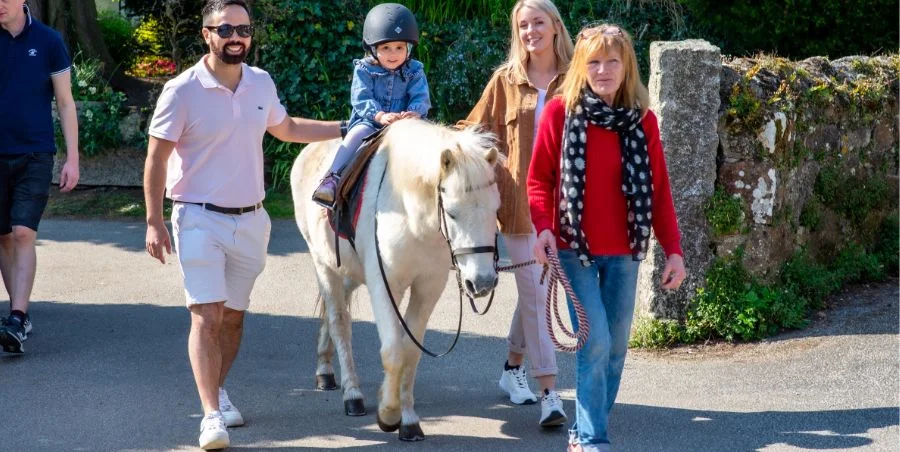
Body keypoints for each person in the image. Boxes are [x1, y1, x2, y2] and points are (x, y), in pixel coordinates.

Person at [143, 1, 341, 449]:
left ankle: (217, 388)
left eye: (244, 29)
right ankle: (210, 414)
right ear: (206, 34)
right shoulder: (181, 90)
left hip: (252, 219)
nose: (237, 36)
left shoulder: (260, 82)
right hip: (197, 216)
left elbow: (286, 127)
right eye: (226, 28)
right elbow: (156, 159)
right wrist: (154, 221)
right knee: (206, 315)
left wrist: (347, 127)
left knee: (232, 319)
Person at [527, 24, 687, 451]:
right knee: (594, 339)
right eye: (593, 62)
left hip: (625, 252)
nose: (603, 70)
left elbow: (658, 189)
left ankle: (584, 427)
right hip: (573, 249)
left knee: (615, 349)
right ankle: (593, 439)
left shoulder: (643, 121)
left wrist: (674, 251)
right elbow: (539, 181)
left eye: (612, 61)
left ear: (626, 66)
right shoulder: (560, 114)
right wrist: (543, 228)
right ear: (581, 66)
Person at [458, 0, 573, 428]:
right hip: (521, 207)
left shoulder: (578, 78)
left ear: (556, 27)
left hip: (571, 207)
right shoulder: (504, 81)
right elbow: (472, 131)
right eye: (522, 25)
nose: (530, 31)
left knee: (536, 292)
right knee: (537, 292)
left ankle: (511, 369)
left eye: (538, 22)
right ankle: (549, 393)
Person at [0, 0, 79, 354]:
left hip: (35, 153)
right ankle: (21, 314)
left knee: (23, 233)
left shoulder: (48, 41)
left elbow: (65, 102)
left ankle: (16, 316)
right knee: (2, 237)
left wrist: (72, 159)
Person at [311, 2, 430, 209]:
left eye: (399, 47)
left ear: (408, 48)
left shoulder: (414, 70)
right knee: (355, 135)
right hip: (371, 121)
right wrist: (380, 115)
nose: (393, 54)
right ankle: (332, 178)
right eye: (386, 48)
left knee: (431, 136)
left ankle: (434, 183)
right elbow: (361, 98)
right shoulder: (364, 69)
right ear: (373, 49)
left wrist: (414, 112)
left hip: (405, 122)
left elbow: (421, 97)